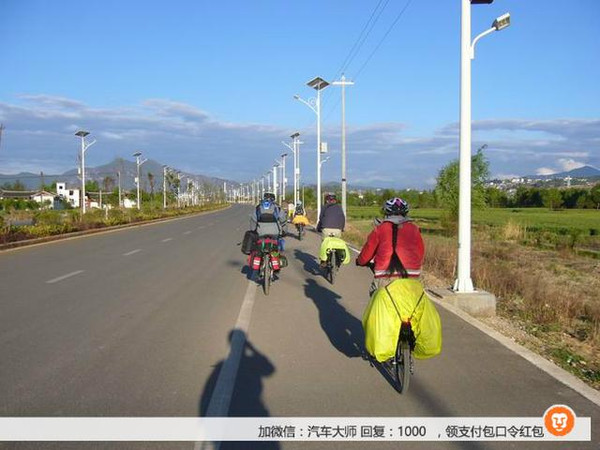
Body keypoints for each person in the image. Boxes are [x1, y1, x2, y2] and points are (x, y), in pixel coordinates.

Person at [355, 197, 424, 296]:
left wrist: (360, 261)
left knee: (376, 304)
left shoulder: (380, 229)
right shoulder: (414, 229)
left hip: (385, 276)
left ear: (386, 213)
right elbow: (420, 253)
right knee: (415, 304)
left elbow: (367, 252)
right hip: (411, 276)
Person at [316, 193, 346, 267]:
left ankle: (323, 261)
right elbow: (342, 219)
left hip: (326, 229)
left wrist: (319, 228)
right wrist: (341, 228)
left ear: (327, 200)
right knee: (337, 244)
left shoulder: (324, 207)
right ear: (335, 200)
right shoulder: (339, 207)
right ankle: (339, 259)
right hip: (337, 230)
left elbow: (321, 219)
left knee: (324, 244)